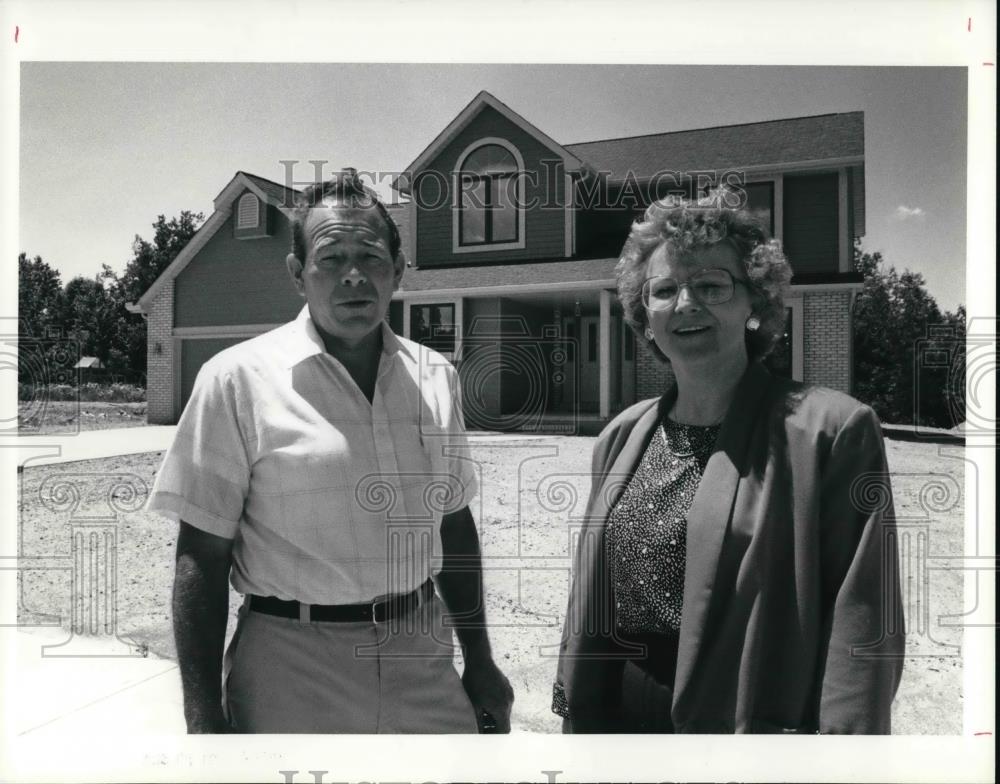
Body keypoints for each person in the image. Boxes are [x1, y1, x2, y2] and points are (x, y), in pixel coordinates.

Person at [148, 169, 513, 733]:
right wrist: (202, 716)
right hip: (289, 664)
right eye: (331, 258)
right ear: (298, 274)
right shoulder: (236, 380)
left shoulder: (435, 376)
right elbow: (201, 552)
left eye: (370, 258)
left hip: (422, 650)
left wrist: (481, 661)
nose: (353, 277)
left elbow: (454, 524)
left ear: (398, 270)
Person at [552, 192, 905, 733]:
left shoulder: (831, 432)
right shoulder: (620, 436)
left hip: (742, 711)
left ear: (755, 305)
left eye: (712, 285)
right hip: (618, 709)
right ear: (644, 315)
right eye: (665, 290)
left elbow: (864, 619)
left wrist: (846, 755)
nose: (686, 303)